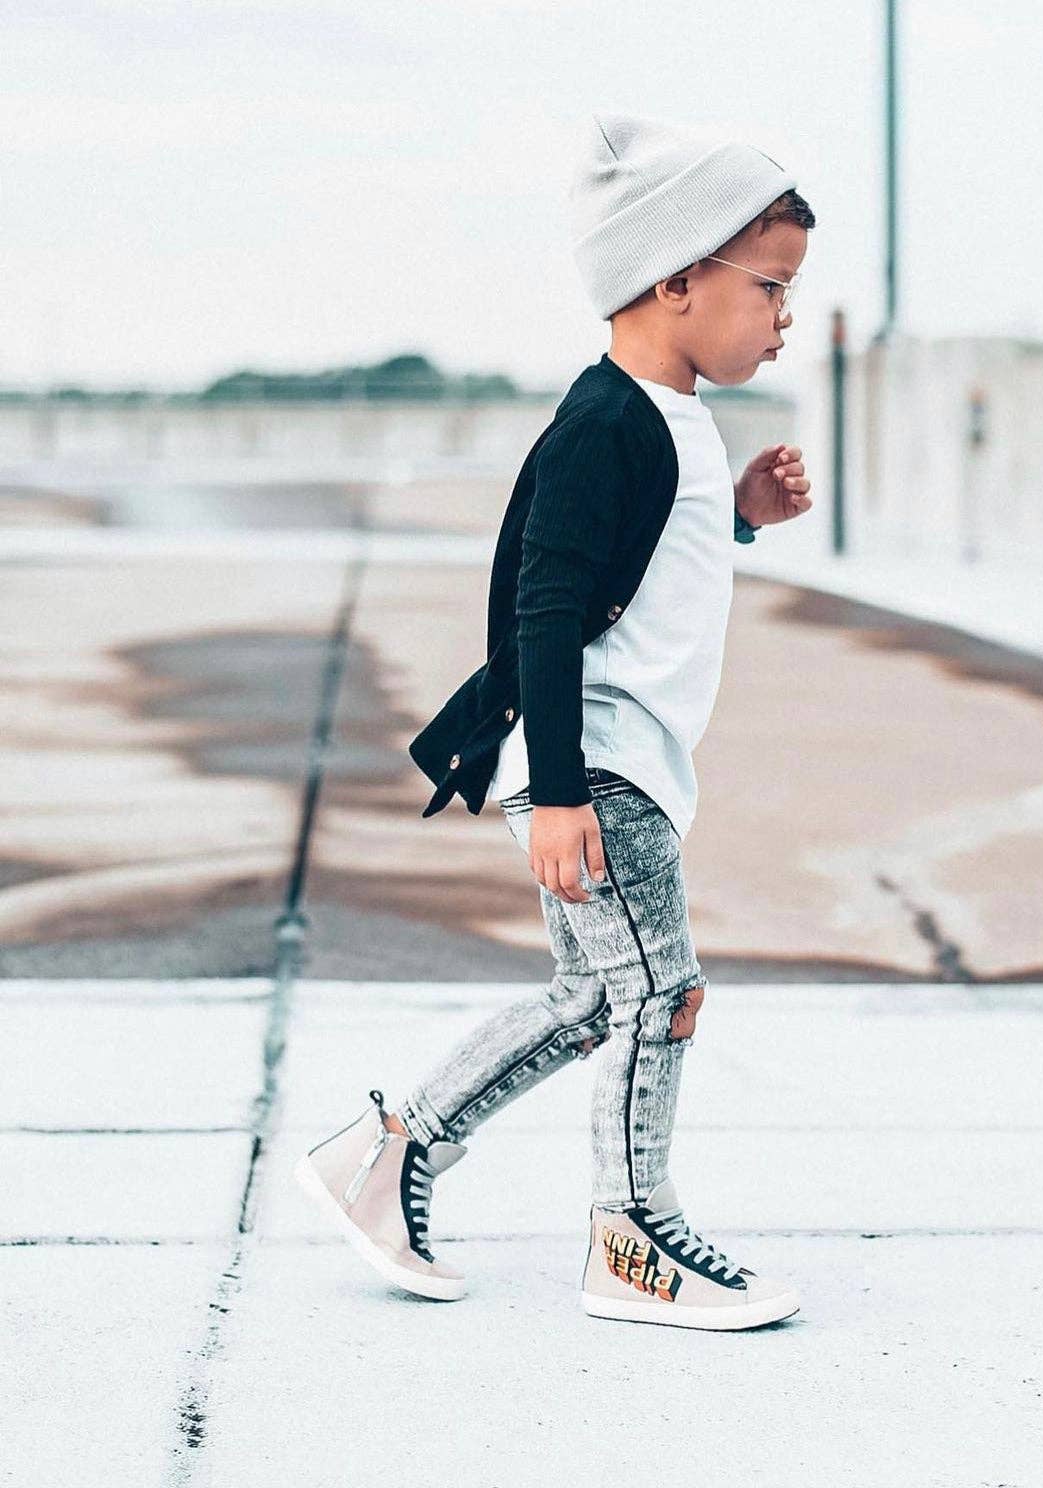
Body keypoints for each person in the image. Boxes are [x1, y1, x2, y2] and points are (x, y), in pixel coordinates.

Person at [295, 111, 816, 1330]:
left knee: (592, 1000)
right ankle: (632, 1237)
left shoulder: (669, 418)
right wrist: (565, 792)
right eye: (770, 287)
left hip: (614, 760)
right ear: (676, 278)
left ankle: (386, 1154)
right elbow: (546, 605)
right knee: (661, 995)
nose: (785, 317)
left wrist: (738, 516)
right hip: (599, 763)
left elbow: (648, 578)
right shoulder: (605, 424)